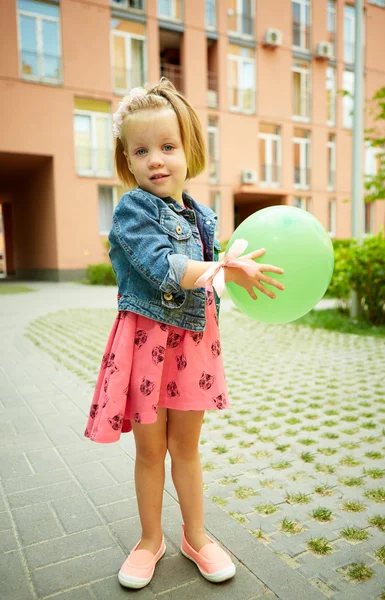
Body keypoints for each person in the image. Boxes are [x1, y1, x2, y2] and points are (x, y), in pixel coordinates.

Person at [84, 78, 284, 589]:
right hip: (148, 343)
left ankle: (195, 535)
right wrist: (221, 268)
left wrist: (225, 273)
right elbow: (159, 265)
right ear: (127, 159)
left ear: (189, 149)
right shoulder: (131, 210)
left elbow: (208, 282)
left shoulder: (204, 216)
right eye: (142, 149)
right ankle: (150, 540)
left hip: (192, 347)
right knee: (151, 451)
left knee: (187, 450)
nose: (157, 159)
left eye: (168, 147)